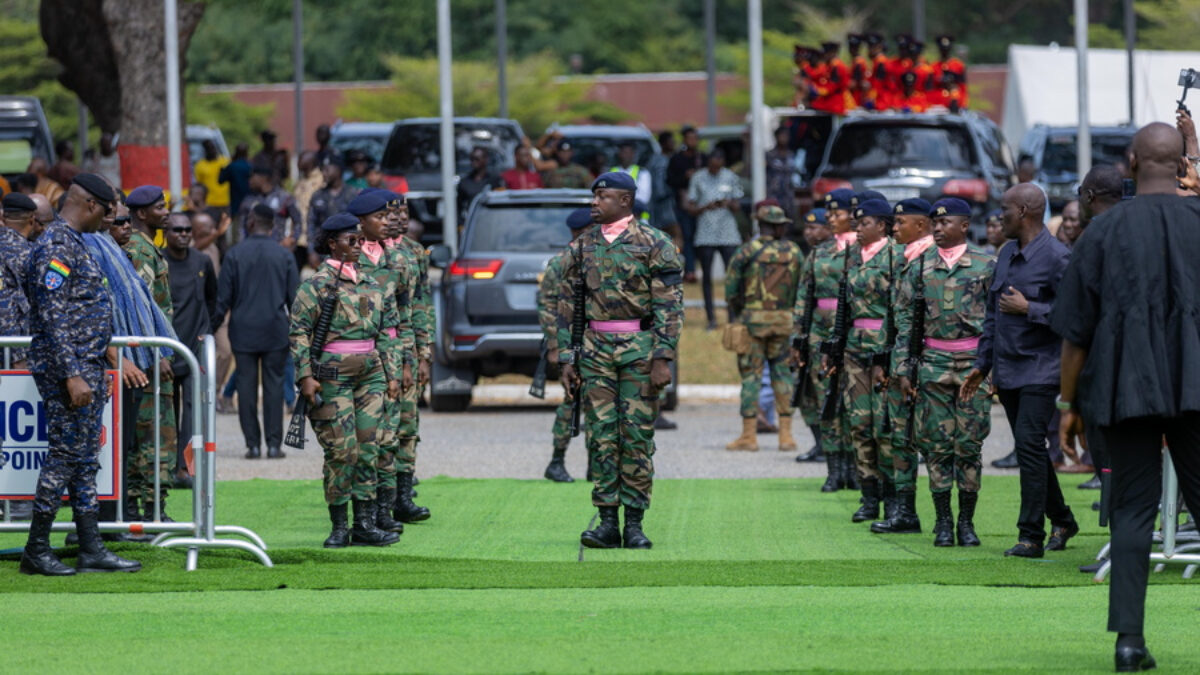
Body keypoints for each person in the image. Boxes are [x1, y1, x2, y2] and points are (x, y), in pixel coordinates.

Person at [1050, 124, 1200, 672]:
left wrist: (1069, 407)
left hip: (1126, 386)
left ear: (1132, 162)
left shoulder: (1102, 232)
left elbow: (1075, 335)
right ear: (1183, 162)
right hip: (1197, 386)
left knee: (1132, 513)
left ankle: (1129, 642)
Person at [19, 174, 140, 575]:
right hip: (67, 370)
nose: (109, 220)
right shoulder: (56, 244)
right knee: (65, 457)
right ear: (90, 205)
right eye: (107, 212)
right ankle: (36, 549)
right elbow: (52, 316)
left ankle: (91, 546)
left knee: (86, 459)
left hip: (85, 366)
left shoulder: (75, 243)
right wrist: (73, 374)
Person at [557, 172, 683, 549]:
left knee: (637, 437)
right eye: (593, 197)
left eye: (602, 197)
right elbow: (567, 306)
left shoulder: (655, 243)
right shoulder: (582, 246)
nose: (594, 203)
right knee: (601, 437)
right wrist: (567, 356)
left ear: (625, 201)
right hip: (595, 351)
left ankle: (635, 523)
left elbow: (670, 306)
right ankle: (608, 522)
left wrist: (663, 356)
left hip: (640, 351)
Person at [963, 184, 1077, 559]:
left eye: (1005, 210)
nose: (1000, 217)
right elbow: (993, 316)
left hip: (1042, 370)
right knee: (1032, 451)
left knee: (1028, 445)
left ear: (1025, 210)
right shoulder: (1008, 252)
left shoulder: (1059, 257)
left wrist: (1031, 309)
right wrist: (983, 365)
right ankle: (1063, 519)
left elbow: (1076, 318)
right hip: (1008, 370)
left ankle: (1031, 535)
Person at [291, 212, 404, 548]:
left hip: (371, 375)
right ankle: (340, 525)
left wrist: (392, 373)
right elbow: (298, 333)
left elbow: (386, 331)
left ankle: (365, 524)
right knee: (343, 451)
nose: (358, 244)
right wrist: (305, 376)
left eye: (359, 239)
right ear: (332, 244)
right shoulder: (315, 285)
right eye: (350, 240)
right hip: (332, 377)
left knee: (370, 449)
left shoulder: (371, 283)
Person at [894, 198, 995, 548]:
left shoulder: (985, 264)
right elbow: (905, 320)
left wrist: (991, 367)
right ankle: (942, 523)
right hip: (933, 365)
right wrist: (904, 368)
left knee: (968, 444)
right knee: (936, 447)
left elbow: (997, 321)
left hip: (972, 368)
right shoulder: (920, 266)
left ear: (964, 226)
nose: (937, 229)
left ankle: (966, 522)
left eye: (945, 223)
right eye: (934, 224)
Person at [348, 190, 417, 533]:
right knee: (364, 438)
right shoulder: (349, 257)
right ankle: (362, 513)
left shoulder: (399, 259)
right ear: (362, 222)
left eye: (393, 216)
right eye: (383, 216)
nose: (391, 221)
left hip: (390, 352)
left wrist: (406, 362)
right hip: (359, 354)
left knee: (390, 434)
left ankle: (383, 510)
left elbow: (404, 315)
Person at [869, 197, 935, 534]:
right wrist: (882, 359)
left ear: (921, 225)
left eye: (900, 223)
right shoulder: (906, 259)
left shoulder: (933, 260)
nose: (894, 229)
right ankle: (904, 511)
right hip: (899, 363)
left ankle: (950, 521)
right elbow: (892, 316)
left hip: (927, 365)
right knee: (899, 436)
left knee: (935, 441)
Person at [214, 203, 300, 459]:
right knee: (274, 387)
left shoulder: (235, 254)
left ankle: (252, 444)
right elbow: (295, 299)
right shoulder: (284, 255)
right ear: (273, 225)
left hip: (243, 330)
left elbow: (223, 299)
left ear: (251, 223)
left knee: (246, 387)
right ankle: (274, 445)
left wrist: (210, 327)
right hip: (275, 329)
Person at [837, 198, 900, 524]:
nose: (858, 228)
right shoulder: (851, 257)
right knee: (859, 424)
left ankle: (893, 499)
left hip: (882, 352)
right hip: (854, 350)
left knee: (884, 426)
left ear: (883, 225)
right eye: (857, 223)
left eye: (865, 223)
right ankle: (868, 496)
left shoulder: (895, 256)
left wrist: (890, 353)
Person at [723, 204, 802, 452]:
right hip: (783, 322)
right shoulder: (794, 251)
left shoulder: (746, 251)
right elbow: (802, 286)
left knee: (751, 378)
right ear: (778, 226)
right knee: (782, 377)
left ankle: (748, 436)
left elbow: (731, 289)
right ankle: (786, 436)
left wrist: (742, 310)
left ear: (759, 225)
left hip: (753, 323)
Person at [793, 189, 858, 490]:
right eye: (828, 214)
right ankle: (835, 469)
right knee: (827, 401)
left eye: (837, 213)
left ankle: (857, 469)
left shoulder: (867, 251)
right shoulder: (819, 253)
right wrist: (800, 338)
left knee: (854, 403)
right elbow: (804, 297)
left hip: (857, 335)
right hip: (822, 335)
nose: (831, 219)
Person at [123, 185, 178, 520]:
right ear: (141, 214)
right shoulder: (140, 251)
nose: (167, 212)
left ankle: (141, 507)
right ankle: (149, 510)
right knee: (154, 433)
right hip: (146, 360)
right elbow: (140, 308)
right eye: (160, 207)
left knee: (146, 432)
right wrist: (157, 353)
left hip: (145, 357)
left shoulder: (145, 247)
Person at [381, 193, 433, 523]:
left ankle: (402, 495)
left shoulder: (414, 252)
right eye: (393, 212)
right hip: (378, 350)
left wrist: (423, 354)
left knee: (407, 424)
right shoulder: (364, 251)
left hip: (407, 348)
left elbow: (421, 307)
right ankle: (376, 498)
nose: (400, 217)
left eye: (404, 212)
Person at [538, 207, 593, 482]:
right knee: (572, 401)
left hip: (598, 341)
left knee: (599, 404)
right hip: (570, 340)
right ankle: (556, 461)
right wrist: (555, 344)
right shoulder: (561, 262)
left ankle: (596, 464)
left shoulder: (598, 257)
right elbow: (548, 304)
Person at [163, 212, 217, 489]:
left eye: (187, 230)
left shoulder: (202, 261)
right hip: (167, 351)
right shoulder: (159, 262)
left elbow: (212, 300)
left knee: (193, 412)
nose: (183, 234)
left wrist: (206, 332)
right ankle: (168, 467)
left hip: (194, 349)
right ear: (166, 233)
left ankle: (187, 468)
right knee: (167, 411)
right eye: (177, 230)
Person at [687, 148, 744, 330]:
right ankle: (711, 318)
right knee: (706, 278)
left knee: (732, 276)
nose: (716, 165)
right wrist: (706, 207)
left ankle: (732, 316)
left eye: (719, 161)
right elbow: (691, 207)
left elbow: (738, 205)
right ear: (708, 162)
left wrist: (727, 203)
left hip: (727, 232)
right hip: (706, 232)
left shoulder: (730, 177)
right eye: (713, 162)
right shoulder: (698, 178)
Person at [792, 208, 832, 463]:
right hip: (812, 334)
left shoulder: (842, 253)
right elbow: (803, 298)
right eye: (807, 228)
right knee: (807, 393)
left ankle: (835, 449)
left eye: (816, 227)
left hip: (831, 335)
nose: (810, 233)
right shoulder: (812, 256)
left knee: (827, 392)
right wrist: (798, 336)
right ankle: (820, 445)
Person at [0, 193, 37, 367]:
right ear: (32, 220)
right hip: (17, 351)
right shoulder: (29, 253)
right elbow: (7, 306)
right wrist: (19, 356)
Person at [667, 126, 705, 280]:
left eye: (695, 138)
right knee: (687, 236)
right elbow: (670, 180)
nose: (693, 141)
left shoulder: (702, 158)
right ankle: (690, 270)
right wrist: (686, 177)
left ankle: (702, 268)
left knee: (700, 238)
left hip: (703, 205)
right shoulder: (677, 159)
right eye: (689, 138)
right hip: (684, 205)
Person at [308, 159, 360, 255]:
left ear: (338, 170)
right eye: (322, 170)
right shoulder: (318, 195)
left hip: (347, 250)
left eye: (327, 170)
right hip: (322, 251)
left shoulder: (353, 193)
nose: (324, 173)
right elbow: (311, 224)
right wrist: (311, 252)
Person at [291, 150, 325, 268]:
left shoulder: (321, 181)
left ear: (311, 162)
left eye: (302, 159)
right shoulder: (300, 183)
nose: (298, 162)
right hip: (299, 238)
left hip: (315, 237)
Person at [765, 127, 796, 219]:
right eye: (782, 135)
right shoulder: (769, 155)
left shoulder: (791, 154)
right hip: (774, 195)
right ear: (776, 137)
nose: (784, 138)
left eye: (786, 136)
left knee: (789, 222)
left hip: (788, 196)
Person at [194, 140, 231, 215]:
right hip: (209, 202)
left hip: (225, 202)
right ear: (204, 151)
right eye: (208, 148)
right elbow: (199, 185)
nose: (212, 150)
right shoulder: (200, 165)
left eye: (213, 148)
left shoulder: (225, 162)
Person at [219, 143, 253, 220]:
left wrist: (222, 169)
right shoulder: (250, 166)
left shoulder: (232, 166)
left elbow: (220, 180)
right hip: (250, 203)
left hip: (235, 205)